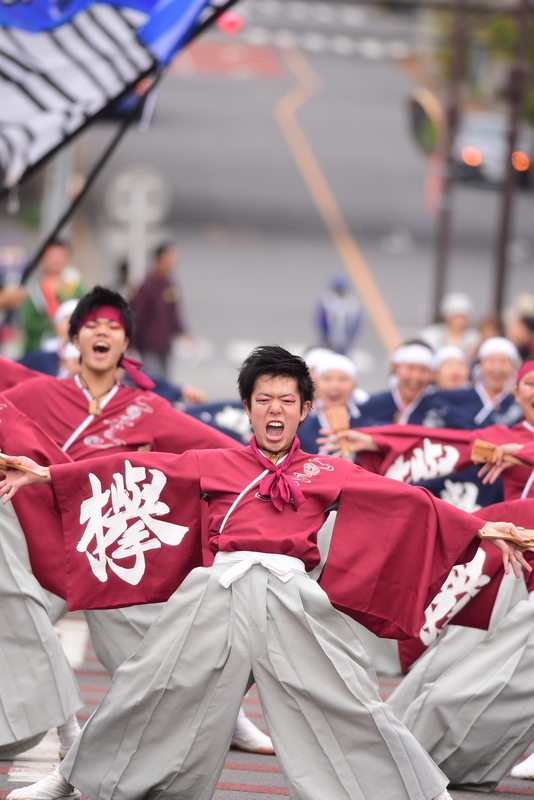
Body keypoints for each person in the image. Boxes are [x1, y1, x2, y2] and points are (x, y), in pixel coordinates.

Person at [0, 345, 526, 800]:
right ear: (249, 408)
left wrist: (487, 530)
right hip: (218, 590)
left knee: (349, 699)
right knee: (147, 686)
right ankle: (71, 777)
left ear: (303, 411)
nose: (275, 410)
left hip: (292, 597)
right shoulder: (216, 461)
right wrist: (49, 474)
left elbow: (410, 502)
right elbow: (135, 470)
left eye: (287, 401)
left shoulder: (325, 470)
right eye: (264, 400)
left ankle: (425, 791)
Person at [0, 287, 271, 757]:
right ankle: (67, 728)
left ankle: (227, 717)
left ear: (127, 344)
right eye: (91, 327)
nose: (102, 333)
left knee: (160, 644)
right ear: (75, 340)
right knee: (17, 615)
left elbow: (215, 449)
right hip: (39, 536)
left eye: (113, 328)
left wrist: (274, 465)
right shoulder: (37, 394)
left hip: (109, 543)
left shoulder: (146, 408)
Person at [359, 341, 473, 428]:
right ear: (395, 368)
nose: (416, 376)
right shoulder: (371, 406)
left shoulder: (440, 409)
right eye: (410, 368)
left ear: (432, 374)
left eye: (423, 370)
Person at [130, 243, 187, 379]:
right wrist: (132, 340)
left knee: (164, 381)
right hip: (148, 345)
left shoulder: (170, 285)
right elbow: (137, 314)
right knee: (155, 381)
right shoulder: (147, 285)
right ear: (158, 259)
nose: (172, 263)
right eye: (169, 259)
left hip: (165, 345)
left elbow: (173, 312)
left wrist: (183, 331)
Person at [20, 240, 85, 354]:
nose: (56, 260)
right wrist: (57, 327)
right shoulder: (33, 291)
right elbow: (28, 324)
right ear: (41, 259)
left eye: (61, 255)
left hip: (72, 352)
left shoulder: (77, 288)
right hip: (39, 351)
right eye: (51, 255)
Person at [419, 292, 480, 359]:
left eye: (462, 317)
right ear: (447, 317)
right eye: (456, 317)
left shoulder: (475, 337)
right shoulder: (431, 334)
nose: (459, 321)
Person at [314, 274, 362, 355]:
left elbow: (355, 323)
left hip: (346, 338)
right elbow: (321, 319)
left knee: (344, 356)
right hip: (328, 337)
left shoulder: (352, 302)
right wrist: (324, 334)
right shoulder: (327, 300)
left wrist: (350, 337)